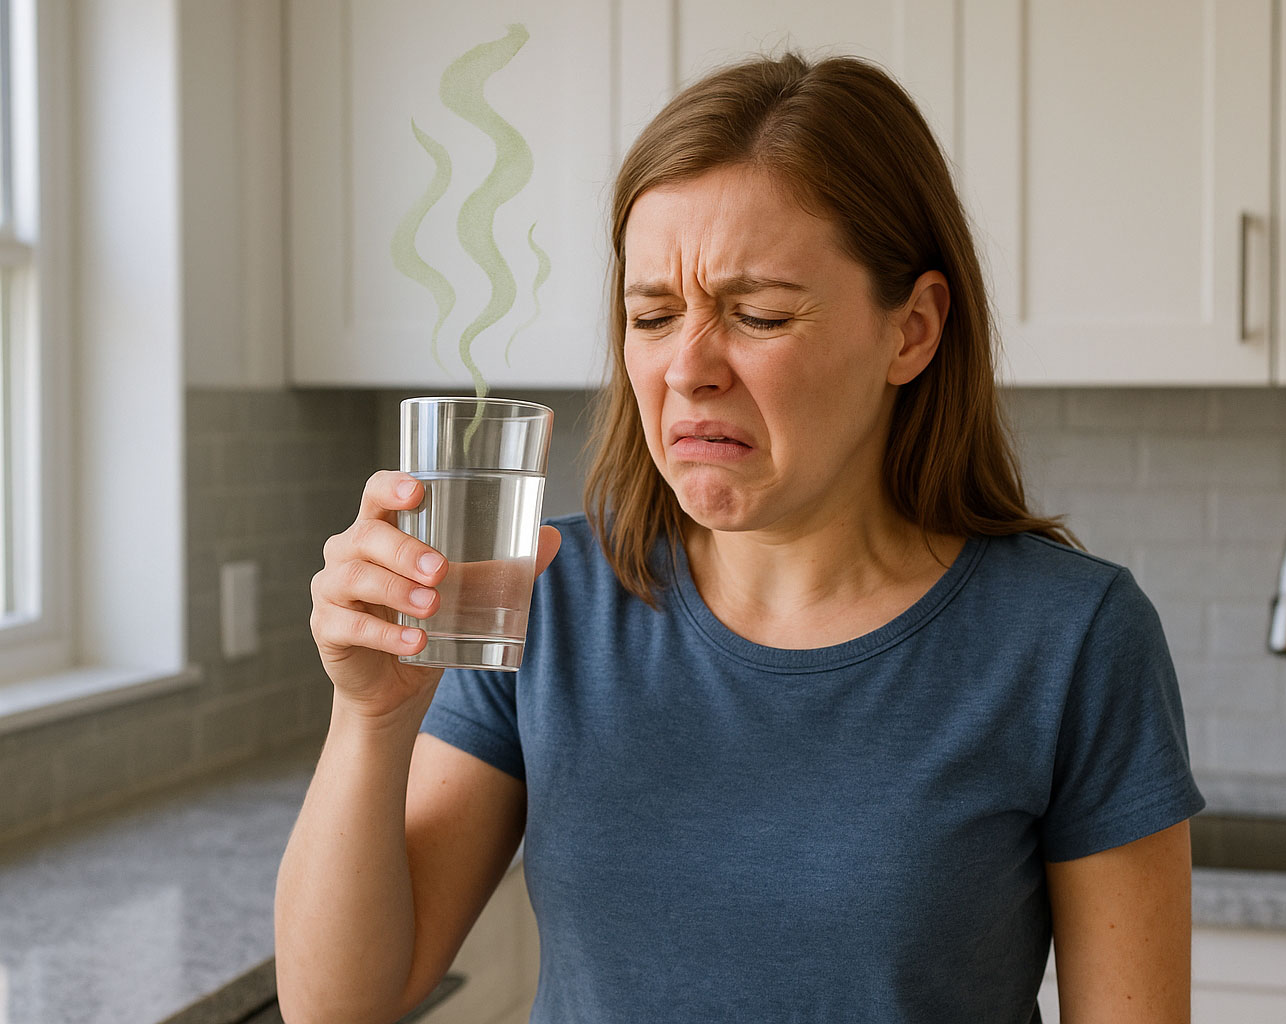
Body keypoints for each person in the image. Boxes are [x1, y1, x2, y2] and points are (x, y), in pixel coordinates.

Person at [276, 51, 1205, 1024]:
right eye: (652, 314)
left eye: (758, 314)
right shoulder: (546, 598)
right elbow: (338, 1008)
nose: (688, 368)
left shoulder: (1072, 638)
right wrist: (372, 719)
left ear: (914, 330)